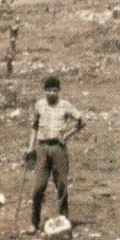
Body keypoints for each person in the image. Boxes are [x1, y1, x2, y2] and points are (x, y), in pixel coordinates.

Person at [27, 74, 83, 231]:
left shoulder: (65, 105)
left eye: (55, 90)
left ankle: (64, 220)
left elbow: (81, 121)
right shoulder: (39, 105)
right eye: (49, 90)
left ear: (59, 91)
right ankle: (34, 222)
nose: (52, 93)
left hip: (58, 148)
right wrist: (30, 147)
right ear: (44, 91)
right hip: (42, 148)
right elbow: (34, 127)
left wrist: (66, 135)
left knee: (62, 185)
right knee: (39, 187)